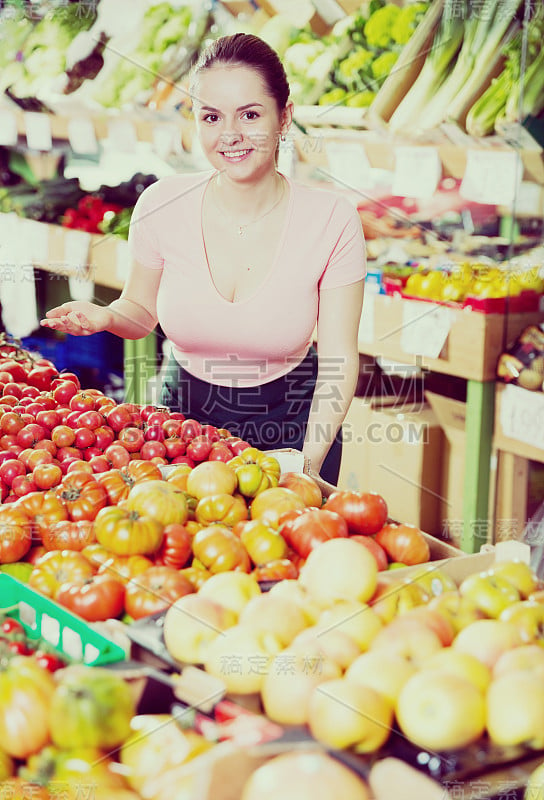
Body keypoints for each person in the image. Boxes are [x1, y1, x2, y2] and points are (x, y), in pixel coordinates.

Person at [41, 33, 366, 485]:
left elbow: (338, 358)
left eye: (250, 115)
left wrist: (308, 464)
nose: (229, 135)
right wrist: (106, 318)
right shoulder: (161, 203)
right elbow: (140, 312)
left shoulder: (332, 218)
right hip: (182, 421)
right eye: (211, 117)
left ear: (284, 117)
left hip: (295, 421)